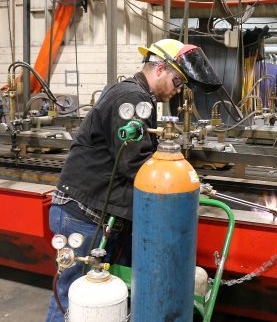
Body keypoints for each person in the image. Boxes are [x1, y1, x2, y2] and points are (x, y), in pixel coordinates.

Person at [45, 38, 222, 322]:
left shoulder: (140, 97)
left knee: (105, 296)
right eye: (177, 80)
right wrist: (177, 180)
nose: (178, 89)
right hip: (84, 214)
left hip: (101, 214)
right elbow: (134, 164)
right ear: (160, 68)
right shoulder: (132, 98)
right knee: (72, 298)